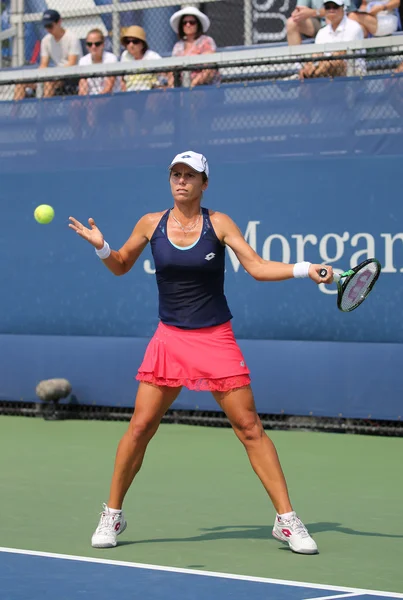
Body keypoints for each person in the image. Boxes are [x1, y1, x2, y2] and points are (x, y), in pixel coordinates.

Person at [68, 150, 334, 555]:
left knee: (249, 428)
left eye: (190, 175)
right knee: (140, 428)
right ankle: (112, 514)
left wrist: (304, 268)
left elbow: (258, 267)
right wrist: (103, 247)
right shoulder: (150, 223)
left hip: (215, 339)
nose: (181, 181)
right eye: (176, 174)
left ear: (204, 184)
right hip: (169, 339)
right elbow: (121, 264)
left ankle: (287, 521)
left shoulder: (219, 223)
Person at [14, 9, 82, 101]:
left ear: (59, 22)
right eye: (46, 26)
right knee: (20, 84)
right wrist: (37, 77)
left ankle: (43, 113)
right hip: (54, 75)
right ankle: (13, 115)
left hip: (72, 76)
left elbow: (72, 63)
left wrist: (53, 73)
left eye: (50, 26)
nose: (48, 29)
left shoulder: (72, 38)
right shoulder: (46, 40)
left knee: (48, 83)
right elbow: (43, 64)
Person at [299, 0, 364, 79]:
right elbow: (316, 55)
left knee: (334, 62)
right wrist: (308, 67)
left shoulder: (353, 27)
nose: (331, 10)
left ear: (343, 8)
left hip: (353, 75)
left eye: (335, 7)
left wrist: (318, 68)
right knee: (306, 69)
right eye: (328, 7)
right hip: (326, 74)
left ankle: (312, 76)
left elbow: (342, 54)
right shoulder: (322, 32)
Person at [168, 6, 220, 87]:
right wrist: (171, 86)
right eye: (184, 23)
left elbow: (209, 69)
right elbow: (172, 71)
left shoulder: (206, 41)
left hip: (204, 87)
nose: (188, 25)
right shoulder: (177, 46)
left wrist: (193, 85)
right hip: (181, 86)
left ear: (198, 24)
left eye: (192, 22)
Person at [120, 25, 161, 93]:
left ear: (142, 44)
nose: (131, 45)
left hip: (149, 94)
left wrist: (166, 89)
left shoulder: (152, 56)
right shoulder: (125, 56)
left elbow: (170, 73)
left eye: (135, 41)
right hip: (130, 95)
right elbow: (122, 78)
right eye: (128, 42)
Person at [78, 29, 119, 96]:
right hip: (90, 100)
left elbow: (108, 88)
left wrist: (95, 102)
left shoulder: (111, 59)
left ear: (103, 44)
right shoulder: (83, 61)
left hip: (111, 98)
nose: (93, 47)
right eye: (89, 44)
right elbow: (83, 89)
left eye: (97, 44)